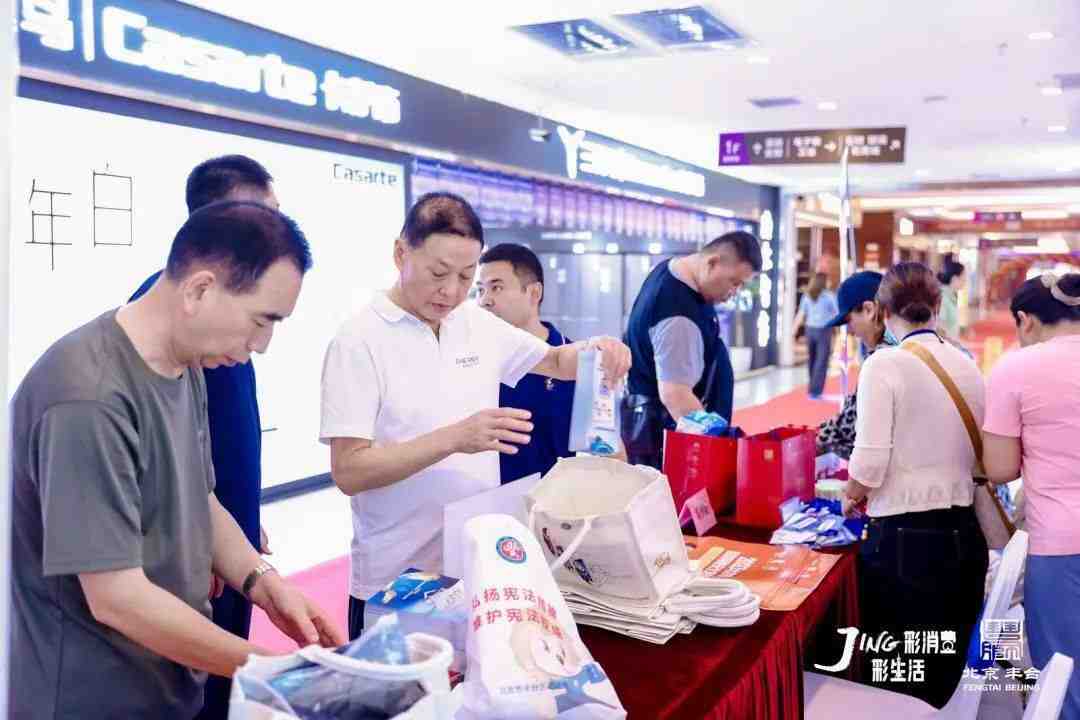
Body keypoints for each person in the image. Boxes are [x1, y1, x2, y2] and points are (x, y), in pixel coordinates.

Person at [9, 202, 345, 720]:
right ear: (199, 290)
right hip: (92, 702)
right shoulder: (87, 397)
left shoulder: (185, 364)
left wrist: (263, 583)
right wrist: (278, 671)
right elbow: (116, 597)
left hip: (166, 686)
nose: (262, 345)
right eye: (261, 321)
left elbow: (199, 499)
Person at [319, 193, 631, 639]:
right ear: (400, 254)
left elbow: (557, 362)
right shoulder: (359, 341)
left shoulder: (475, 324)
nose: (451, 291)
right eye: (438, 273)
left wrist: (599, 348)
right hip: (397, 579)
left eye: (467, 277)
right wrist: (455, 438)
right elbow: (349, 471)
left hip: (476, 565)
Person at [128, 154, 278, 720]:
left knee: (223, 674)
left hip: (224, 517)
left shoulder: (232, 309)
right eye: (265, 219)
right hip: (193, 542)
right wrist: (201, 538)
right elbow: (163, 454)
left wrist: (238, 517)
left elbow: (219, 432)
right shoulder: (170, 315)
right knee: (201, 672)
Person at [842, 262, 987, 707]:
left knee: (898, 674)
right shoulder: (966, 363)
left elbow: (868, 464)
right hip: (965, 536)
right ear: (938, 305)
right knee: (941, 664)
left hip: (905, 544)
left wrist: (850, 496)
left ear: (883, 312)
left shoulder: (885, 364)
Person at [982, 273, 1080, 719]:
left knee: (1063, 681)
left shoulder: (1016, 368)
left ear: (1024, 320)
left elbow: (1000, 468)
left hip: (1061, 546)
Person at [621, 231, 762, 469]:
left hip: (653, 426)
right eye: (734, 282)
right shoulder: (678, 315)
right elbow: (676, 396)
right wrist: (715, 447)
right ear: (712, 262)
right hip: (664, 439)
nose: (734, 292)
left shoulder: (672, 272)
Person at [476, 243, 575, 484]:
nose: (484, 301)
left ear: (534, 293)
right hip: (491, 508)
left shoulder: (574, 362)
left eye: (496, 288)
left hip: (561, 507)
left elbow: (608, 447)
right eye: (480, 290)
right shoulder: (474, 360)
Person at [815, 271, 897, 459]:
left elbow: (851, 428)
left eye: (849, 321)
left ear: (869, 310)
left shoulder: (884, 359)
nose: (850, 331)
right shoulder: (903, 347)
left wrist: (815, 439)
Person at [792, 272, 839, 399]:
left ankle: (812, 388)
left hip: (810, 330)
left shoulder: (807, 296)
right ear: (824, 282)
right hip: (823, 331)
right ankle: (816, 391)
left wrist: (793, 329)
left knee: (812, 359)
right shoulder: (829, 297)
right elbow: (837, 314)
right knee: (821, 360)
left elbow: (801, 314)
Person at [937, 260, 966, 338]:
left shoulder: (951, 297)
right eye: (963, 275)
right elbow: (940, 328)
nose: (965, 279)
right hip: (947, 347)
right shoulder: (943, 297)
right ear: (955, 278)